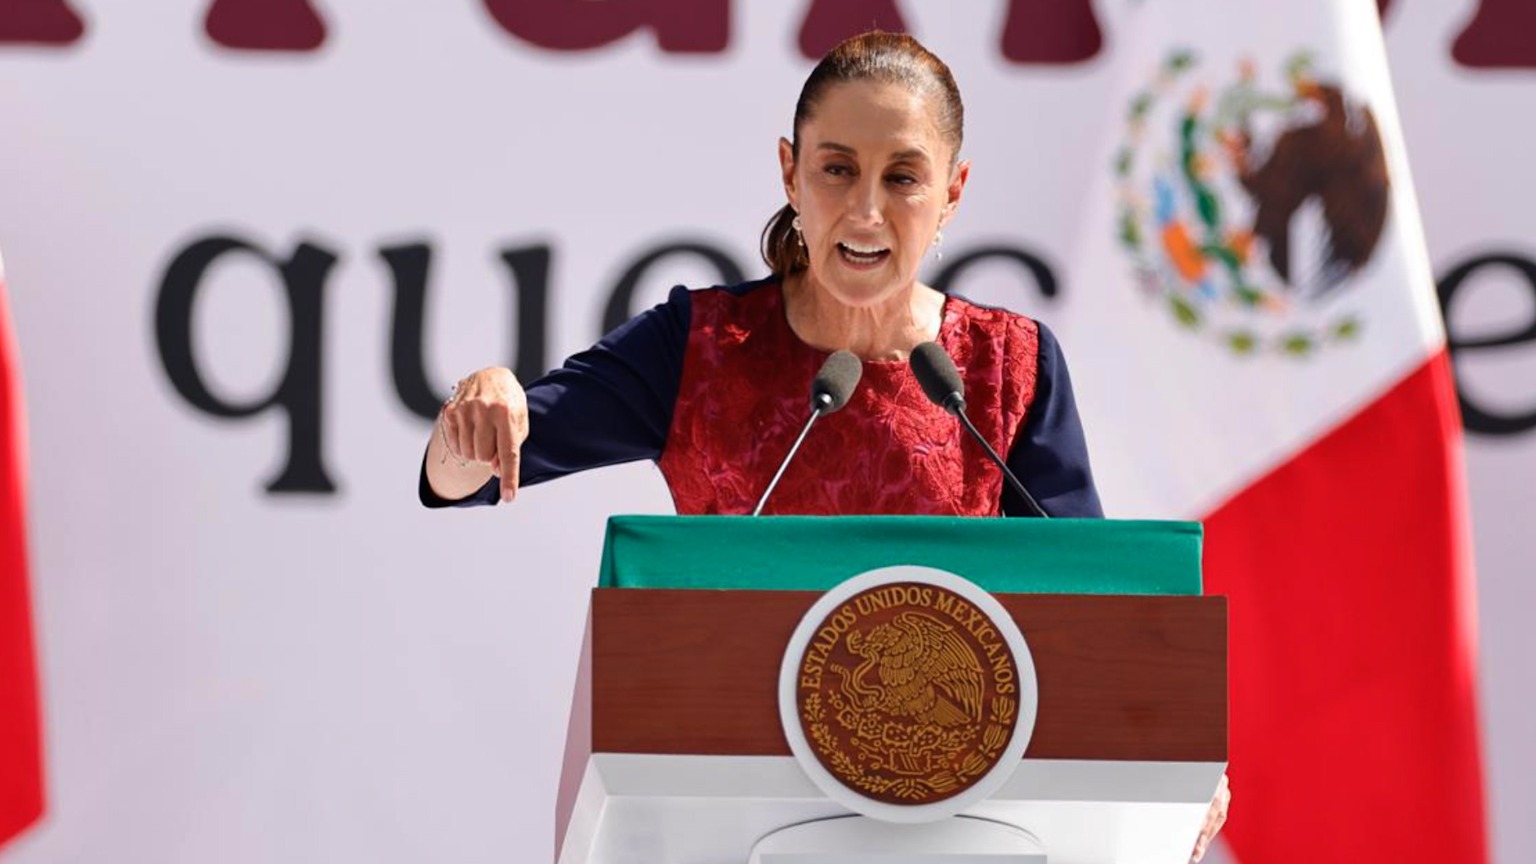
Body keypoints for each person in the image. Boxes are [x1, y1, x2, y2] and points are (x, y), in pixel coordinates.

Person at [419, 31, 1227, 858]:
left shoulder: (1006, 368)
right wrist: (476, 411)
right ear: (789, 172)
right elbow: (461, 477)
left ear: (952, 192)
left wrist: (1169, 738)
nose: (866, 211)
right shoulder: (698, 347)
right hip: (731, 828)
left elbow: (1094, 618)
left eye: (903, 177)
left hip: (952, 832)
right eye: (837, 168)